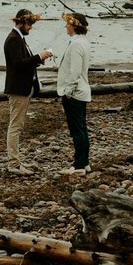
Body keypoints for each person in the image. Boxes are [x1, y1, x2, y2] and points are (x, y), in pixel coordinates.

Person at [3, 8, 52, 174]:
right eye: (29, 24)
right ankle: (14, 164)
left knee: (18, 125)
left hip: (24, 88)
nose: (31, 27)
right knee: (15, 126)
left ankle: (16, 161)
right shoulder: (13, 39)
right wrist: (39, 56)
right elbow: (18, 64)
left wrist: (38, 61)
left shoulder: (19, 38)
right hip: (18, 89)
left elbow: (24, 62)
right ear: (21, 22)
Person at [56, 10, 91, 176]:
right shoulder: (83, 42)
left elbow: (75, 71)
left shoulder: (77, 44)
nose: (66, 26)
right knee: (81, 128)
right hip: (81, 91)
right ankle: (84, 163)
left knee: (77, 129)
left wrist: (67, 92)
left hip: (75, 93)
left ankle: (78, 166)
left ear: (74, 26)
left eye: (68, 24)